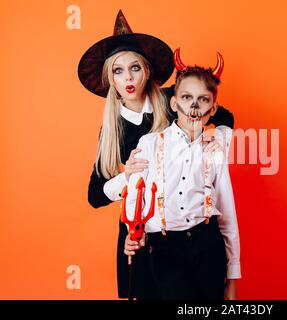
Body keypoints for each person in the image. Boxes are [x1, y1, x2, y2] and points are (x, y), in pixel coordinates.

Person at [78, 10, 234, 299]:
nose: (128, 78)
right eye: (118, 70)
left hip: (188, 232)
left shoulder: (170, 99)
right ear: (109, 78)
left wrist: (220, 139)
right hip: (139, 231)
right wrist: (126, 176)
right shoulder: (112, 129)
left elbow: (223, 114)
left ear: (147, 70)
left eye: (134, 67)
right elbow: (94, 195)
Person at [123, 49, 240, 300]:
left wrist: (232, 278)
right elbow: (134, 199)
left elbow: (227, 213)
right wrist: (131, 234)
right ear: (174, 103)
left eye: (203, 100)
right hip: (164, 248)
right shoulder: (150, 143)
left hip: (208, 246)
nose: (194, 107)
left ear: (213, 107)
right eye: (186, 97)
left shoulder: (215, 146)